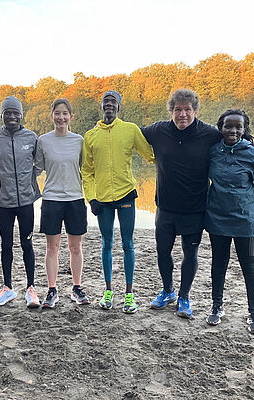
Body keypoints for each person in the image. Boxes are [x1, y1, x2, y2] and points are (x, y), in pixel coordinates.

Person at [141, 88, 221, 319]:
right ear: (171, 111)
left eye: (187, 110)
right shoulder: (158, 131)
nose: (182, 114)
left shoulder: (209, 134)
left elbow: (233, 138)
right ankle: (168, 291)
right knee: (163, 252)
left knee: (190, 253)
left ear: (195, 111)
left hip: (194, 209)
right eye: (178, 110)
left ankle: (184, 296)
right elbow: (131, 135)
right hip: (165, 208)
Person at [81, 90, 154, 312]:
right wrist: (91, 198)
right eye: (106, 101)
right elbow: (86, 171)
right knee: (106, 244)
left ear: (119, 106)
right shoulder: (90, 136)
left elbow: (150, 155)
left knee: (128, 244)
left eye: (113, 101)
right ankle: (108, 291)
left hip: (125, 195)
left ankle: (129, 294)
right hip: (102, 199)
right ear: (101, 107)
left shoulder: (130, 130)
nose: (109, 104)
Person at [0, 96, 41, 308]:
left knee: (27, 243)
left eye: (15, 113)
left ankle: (31, 288)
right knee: (6, 245)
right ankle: (7, 288)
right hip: (4, 202)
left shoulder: (31, 137)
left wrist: (30, 181)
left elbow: (41, 162)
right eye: (7, 113)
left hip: (26, 201)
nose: (11, 116)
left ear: (21, 115)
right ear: (2, 115)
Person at [35, 98, 89, 308]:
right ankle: (52, 290)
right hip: (51, 199)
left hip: (75, 198)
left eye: (65, 113)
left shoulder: (79, 140)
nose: (61, 117)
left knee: (75, 247)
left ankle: (77, 288)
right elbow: (36, 168)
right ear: (52, 116)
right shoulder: (43, 141)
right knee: (52, 248)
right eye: (57, 113)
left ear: (71, 117)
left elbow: (86, 169)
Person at [204, 109, 254, 333]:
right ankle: (217, 307)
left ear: (244, 130)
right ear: (221, 128)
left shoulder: (251, 154)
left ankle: (253, 313)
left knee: (250, 267)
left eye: (238, 127)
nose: (233, 130)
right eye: (228, 126)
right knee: (219, 263)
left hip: (248, 222)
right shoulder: (213, 152)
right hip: (217, 219)